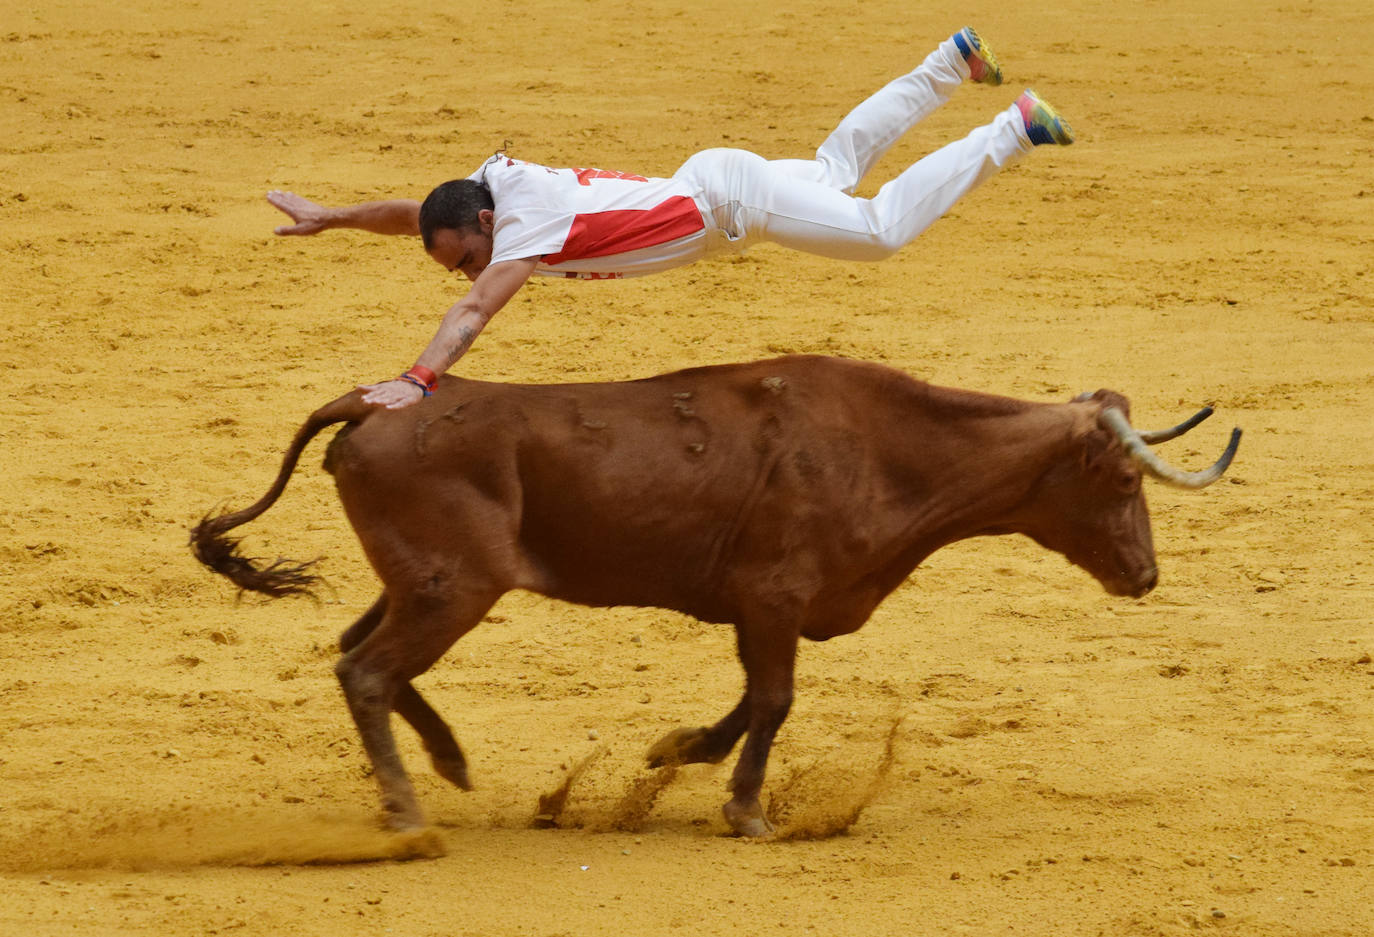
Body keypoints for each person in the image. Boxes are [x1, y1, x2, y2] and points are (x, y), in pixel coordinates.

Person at [268, 27, 1073, 410]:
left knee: (876, 231)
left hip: (727, 204)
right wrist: (332, 217)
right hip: (713, 185)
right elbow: (418, 215)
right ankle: (948, 61)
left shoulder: (525, 222)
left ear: (486, 221)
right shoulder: (484, 193)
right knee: (832, 170)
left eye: (469, 253)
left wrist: (417, 380)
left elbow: (476, 311)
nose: (472, 269)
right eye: (457, 263)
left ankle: (1011, 128)